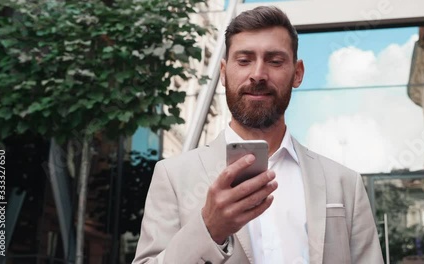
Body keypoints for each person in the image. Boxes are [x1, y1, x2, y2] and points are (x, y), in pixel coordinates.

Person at [133, 6, 383, 264]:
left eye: (275, 61)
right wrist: (208, 229)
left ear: (297, 73)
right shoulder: (173, 177)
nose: (258, 75)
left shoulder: (345, 184)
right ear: (222, 72)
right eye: (244, 60)